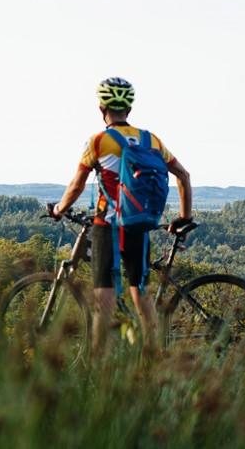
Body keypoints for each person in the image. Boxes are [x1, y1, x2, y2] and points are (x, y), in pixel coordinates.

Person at [49, 77, 192, 357]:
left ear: (102, 107)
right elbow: (183, 176)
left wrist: (59, 209)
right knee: (141, 293)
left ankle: (99, 370)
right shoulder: (151, 140)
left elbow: (77, 186)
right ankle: (153, 359)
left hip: (108, 228)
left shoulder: (99, 142)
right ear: (129, 106)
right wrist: (184, 217)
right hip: (138, 226)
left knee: (104, 301)